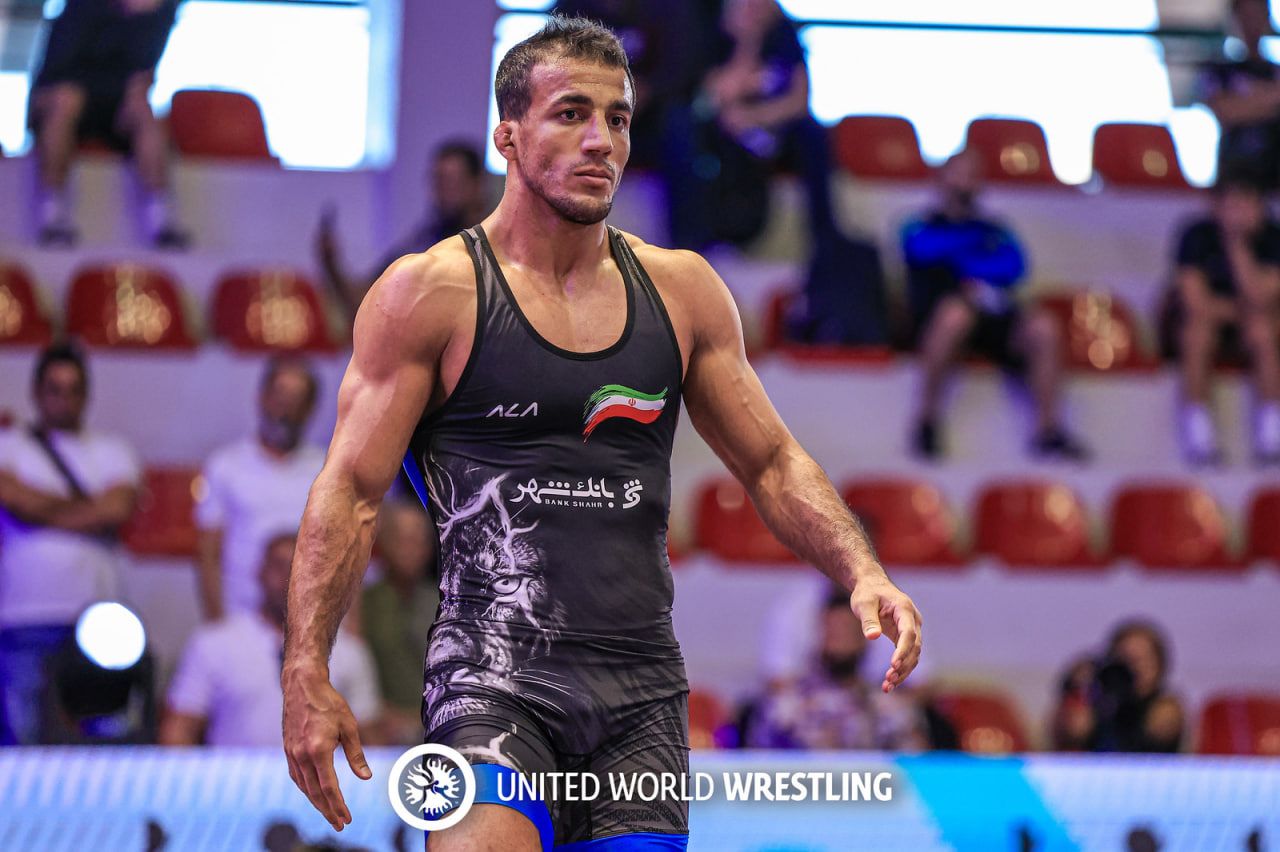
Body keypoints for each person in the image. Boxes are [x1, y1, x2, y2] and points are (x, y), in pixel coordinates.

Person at [280, 16, 921, 849]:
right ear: (508, 136)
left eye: (617, 118)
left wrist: (861, 569)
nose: (601, 141)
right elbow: (352, 490)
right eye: (571, 114)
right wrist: (306, 666)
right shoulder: (431, 293)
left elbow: (769, 461)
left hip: (638, 695)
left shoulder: (682, 291)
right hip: (490, 677)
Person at [902, 148, 1088, 461]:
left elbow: (1014, 266)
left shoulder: (995, 228)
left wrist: (964, 263)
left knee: (1044, 326)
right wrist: (972, 250)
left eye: (973, 174)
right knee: (954, 316)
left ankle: (1049, 430)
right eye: (959, 173)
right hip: (941, 320)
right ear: (941, 179)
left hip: (994, 318)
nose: (966, 181)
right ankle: (926, 420)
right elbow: (921, 250)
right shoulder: (919, 225)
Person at [0, 342, 140, 744]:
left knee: (99, 739)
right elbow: (15, 500)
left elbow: (116, 509)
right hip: (24, 615)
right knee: (21, 740)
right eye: (54, 389)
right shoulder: (8, 445)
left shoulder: (114, 450)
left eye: (74, 389)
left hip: (98, 619)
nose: (64, 399)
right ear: (36, 392)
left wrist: (42, 510)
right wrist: (88, 510)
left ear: (87, 394)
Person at [160, 532, 380, 747]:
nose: (290, 576)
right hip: (236, 771)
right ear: (260, 572)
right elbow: (178, 731)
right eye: (279, 565)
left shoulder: (348, 652)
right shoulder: (214, 645)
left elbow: (369, 738)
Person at [26, 0, 188, 248]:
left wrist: (136, 92)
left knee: (144, 111)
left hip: (114, 107)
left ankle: (162, 218)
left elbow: (143, 74)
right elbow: (59, 73)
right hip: (61, 97)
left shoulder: (160, 15)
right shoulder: (82, 7)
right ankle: (53, 213)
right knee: (67, 99)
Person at [194, 356, 325, 621]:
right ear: (261, 398)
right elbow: (208, 554)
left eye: (297, 399)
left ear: (310, 408)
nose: (286, 408)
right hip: (240, 614)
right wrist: (216, 621)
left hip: (310, 619)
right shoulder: (225, 465)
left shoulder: (326, 469)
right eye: (280, 395)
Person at [1168, 172, 1280, 465]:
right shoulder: (1195, 235)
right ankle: (1199, 434)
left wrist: (1237, 246)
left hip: (1252, 325)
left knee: (1263, 331)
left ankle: (1272, 435)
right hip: (1209, 323)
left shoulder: (1273, 238)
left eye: (1247, 203)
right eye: (1232, 204)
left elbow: (1260, 297)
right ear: (1215, 207)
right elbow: (1195, 303)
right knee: (1196, 333)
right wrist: (1242, 309)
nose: (1239, 212)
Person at [315, 140, 491, 324]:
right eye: (437, 181)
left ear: (477, 184)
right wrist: (332, 264)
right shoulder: (425, 243)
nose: (441, 192)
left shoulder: (493, 248)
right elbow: (367, 303)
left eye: (451, 181)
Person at [743, 588, 928, 751]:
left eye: (847, 631)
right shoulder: (786, 706)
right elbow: (758, 764)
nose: (839, 641)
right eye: (833, 631)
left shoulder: (888, 708)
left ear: (864, 638)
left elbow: (918, 766)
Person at [360, 500, 439, 745]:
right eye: (403, 540)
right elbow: (352, 671)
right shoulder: (362, 604)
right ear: (383, 543)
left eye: (420, 541)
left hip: (440, 726)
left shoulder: (447, 602)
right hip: (380, 732)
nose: (412, 549)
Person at [1051, 619, 1185, 754]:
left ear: (1159, 665)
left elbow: (1161, 733)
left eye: (1142, 659)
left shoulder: (1165, 707)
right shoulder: (1096, 702)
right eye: (1126, 659)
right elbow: (1070, 735)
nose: (1134, 668)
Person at [1198, 0, 1280, 191]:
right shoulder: (1218, 70)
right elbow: (1226, 111)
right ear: (1233, 19)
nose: (1252, 22)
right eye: (1245, 15)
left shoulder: (1275, 70)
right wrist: (1273, 98)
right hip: (1235, 177)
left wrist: (1249, 102)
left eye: (1258, 15)